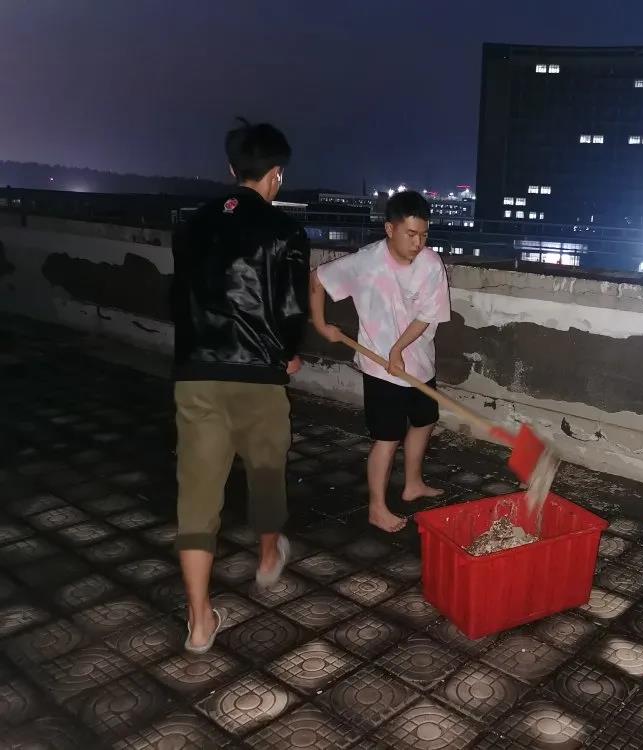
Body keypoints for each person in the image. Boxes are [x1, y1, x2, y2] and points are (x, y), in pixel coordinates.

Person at [171, 119, 309, 652]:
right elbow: (291, 307)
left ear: (232, 169)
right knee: (267, 472)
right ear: (277, 174)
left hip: (197, 375)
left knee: (197, 496)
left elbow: (179, 297)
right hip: (257, 376)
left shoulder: (192, 225)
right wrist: (288, 354)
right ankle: (268, 557)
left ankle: (199, 621)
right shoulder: (285, 230)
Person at [310, 190, 451, 533]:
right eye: (411, 234)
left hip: (418, 362)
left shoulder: (431, 264)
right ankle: (376, 508)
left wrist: (398, 349)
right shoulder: (366, 263)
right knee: (387, 437)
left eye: (424, 235)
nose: (418, 243)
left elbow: (426, 316)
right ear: (390, 229)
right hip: (380, 369)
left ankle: (412, 484)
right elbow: (317, 278)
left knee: (424, 421)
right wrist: (320, 324)